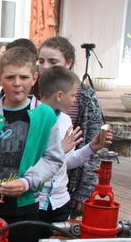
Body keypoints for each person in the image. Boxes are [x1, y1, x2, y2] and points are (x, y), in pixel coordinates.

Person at [0, 47, 64, 242]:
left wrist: (28, 182)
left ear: (34, 78)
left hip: (24, 206)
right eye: (10, 77)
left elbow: (53, 158)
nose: (17, 83)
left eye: (24, 77)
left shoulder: (45, 115)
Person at [37, 36, 105, 217]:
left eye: (52, 61)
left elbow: (69, 157)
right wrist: (60, 149)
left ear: (68, 63)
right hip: (36, 196)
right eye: (41, 61)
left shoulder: (72, 109)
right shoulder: (31, 108)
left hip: (62, 194)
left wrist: (91, 148)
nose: (45, 66)